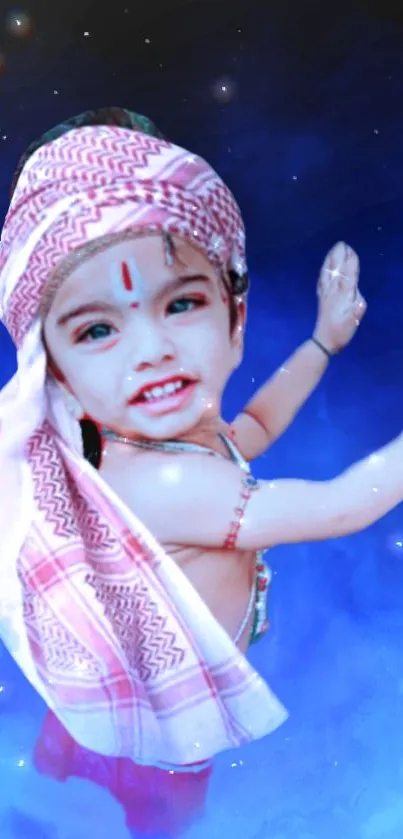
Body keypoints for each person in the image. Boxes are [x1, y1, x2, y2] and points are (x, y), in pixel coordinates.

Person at [0, 107, 400, 834]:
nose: (150, 349)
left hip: (136, 685)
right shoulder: (169, 484)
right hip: (168, 721)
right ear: (52, 375)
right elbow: (346, 506)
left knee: (97, 749)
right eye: (98, 329)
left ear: (234, 316)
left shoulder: (180, 443)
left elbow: (254, 429)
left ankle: (66, 753)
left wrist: (320, 342)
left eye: (180, 302)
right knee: (175, 809)